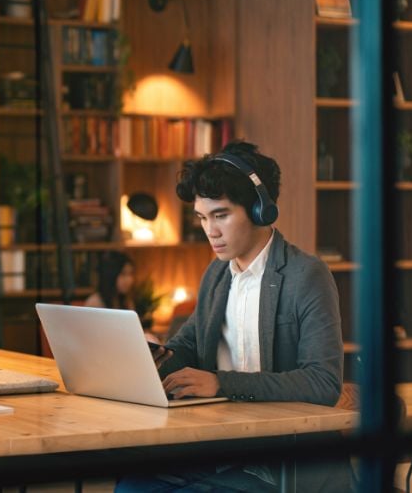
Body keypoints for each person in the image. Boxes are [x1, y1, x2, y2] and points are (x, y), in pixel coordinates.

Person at [116, 141, 347, 492]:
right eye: (203, 218)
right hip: (221, 447)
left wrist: (222, 383)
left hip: (282, 463)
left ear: (260, 210)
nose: (211, 230)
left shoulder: (306, 275)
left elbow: (323, 383)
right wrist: (149, 356)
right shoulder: (217, 274)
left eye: (221, 215)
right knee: (132, 486)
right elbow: (189, 344)